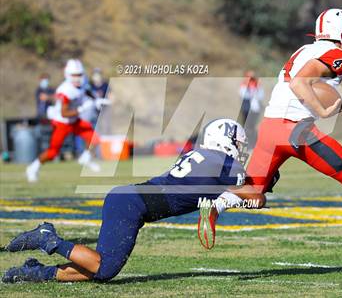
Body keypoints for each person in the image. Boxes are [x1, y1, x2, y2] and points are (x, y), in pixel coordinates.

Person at [199, 9, 342, 260]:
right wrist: (323, 109)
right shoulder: (337, 55)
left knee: (255, 192)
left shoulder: (305, 49)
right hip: (295, 129)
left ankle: (216, 204)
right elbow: (299, 82)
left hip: (270, 127)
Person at [3, 119, 248, 283]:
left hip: (128, 198)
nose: (240, 149)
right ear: (224, 140)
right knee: (104, 268)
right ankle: (48, 238)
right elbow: (252, 188)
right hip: (133, 205)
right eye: (238, 143)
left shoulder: (203, 155)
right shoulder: (222, 162)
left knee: (97, 267)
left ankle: (34, 272)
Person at [25, 59, 108, 182]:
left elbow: (87, 92)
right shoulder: (65, 91)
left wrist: (96, 100)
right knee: (53, 153)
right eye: (74, 75)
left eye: (79, 74)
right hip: (62, 123)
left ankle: (85, 158)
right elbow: (64, 114)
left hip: (74, 120)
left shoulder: (83, 83)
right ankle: (33, 167)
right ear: (68, 75)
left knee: (95, 139)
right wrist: (82, 108)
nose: (77, 77)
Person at [239, 71, 264, 147]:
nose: (251, 79)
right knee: (246, 127)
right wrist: (247, 85)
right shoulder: (243, 85)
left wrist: (258, 86)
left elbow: (261, 96)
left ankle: (252, 144)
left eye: (252, 77)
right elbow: (244, 95)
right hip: (246, 109)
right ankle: (245, 143)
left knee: (252, 127)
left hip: (255, 110)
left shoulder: (257, 86)